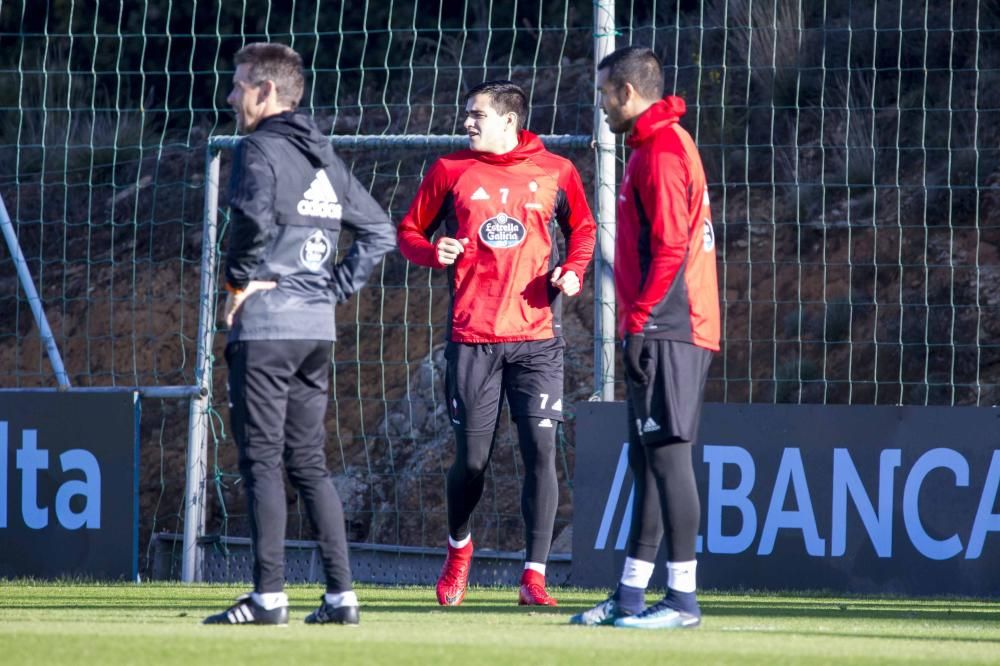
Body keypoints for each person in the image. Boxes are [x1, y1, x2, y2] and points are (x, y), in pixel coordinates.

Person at [203, 42, 395, 625]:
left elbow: (253, 220)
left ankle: (268, 598)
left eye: (238, 85)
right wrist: (328, 292)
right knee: (308, 463)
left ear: (266, 92)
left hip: (265, 331)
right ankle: (341, 597)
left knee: (261, 462)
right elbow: (379, 232)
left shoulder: (257, 149)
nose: (231, 95)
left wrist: (238, 284)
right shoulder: (323, 156)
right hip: (316, 333)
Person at [397, 80, 596, 607]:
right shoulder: (450, 171)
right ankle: (459, 549)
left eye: (475, 115)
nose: (466, 123)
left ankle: (534, 577)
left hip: (537, 340)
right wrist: (431, 250)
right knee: (472, 461)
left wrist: (573, 271)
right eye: (466, 115)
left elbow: (584, 229)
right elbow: (408, 232)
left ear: (509, 121)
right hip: (473, 338)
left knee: (542, 452)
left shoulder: (556, 171)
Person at [570, 46, 720, 629]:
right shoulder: (656, 144)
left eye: (604, 94)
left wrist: (640, 322)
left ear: (627, 93)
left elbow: (672, 249)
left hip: (670, 324)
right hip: (667, 321)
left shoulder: (660, 151)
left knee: (669, 458)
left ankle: (682, 599)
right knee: (648, 459)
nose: (601, 105)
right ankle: (630, 593)